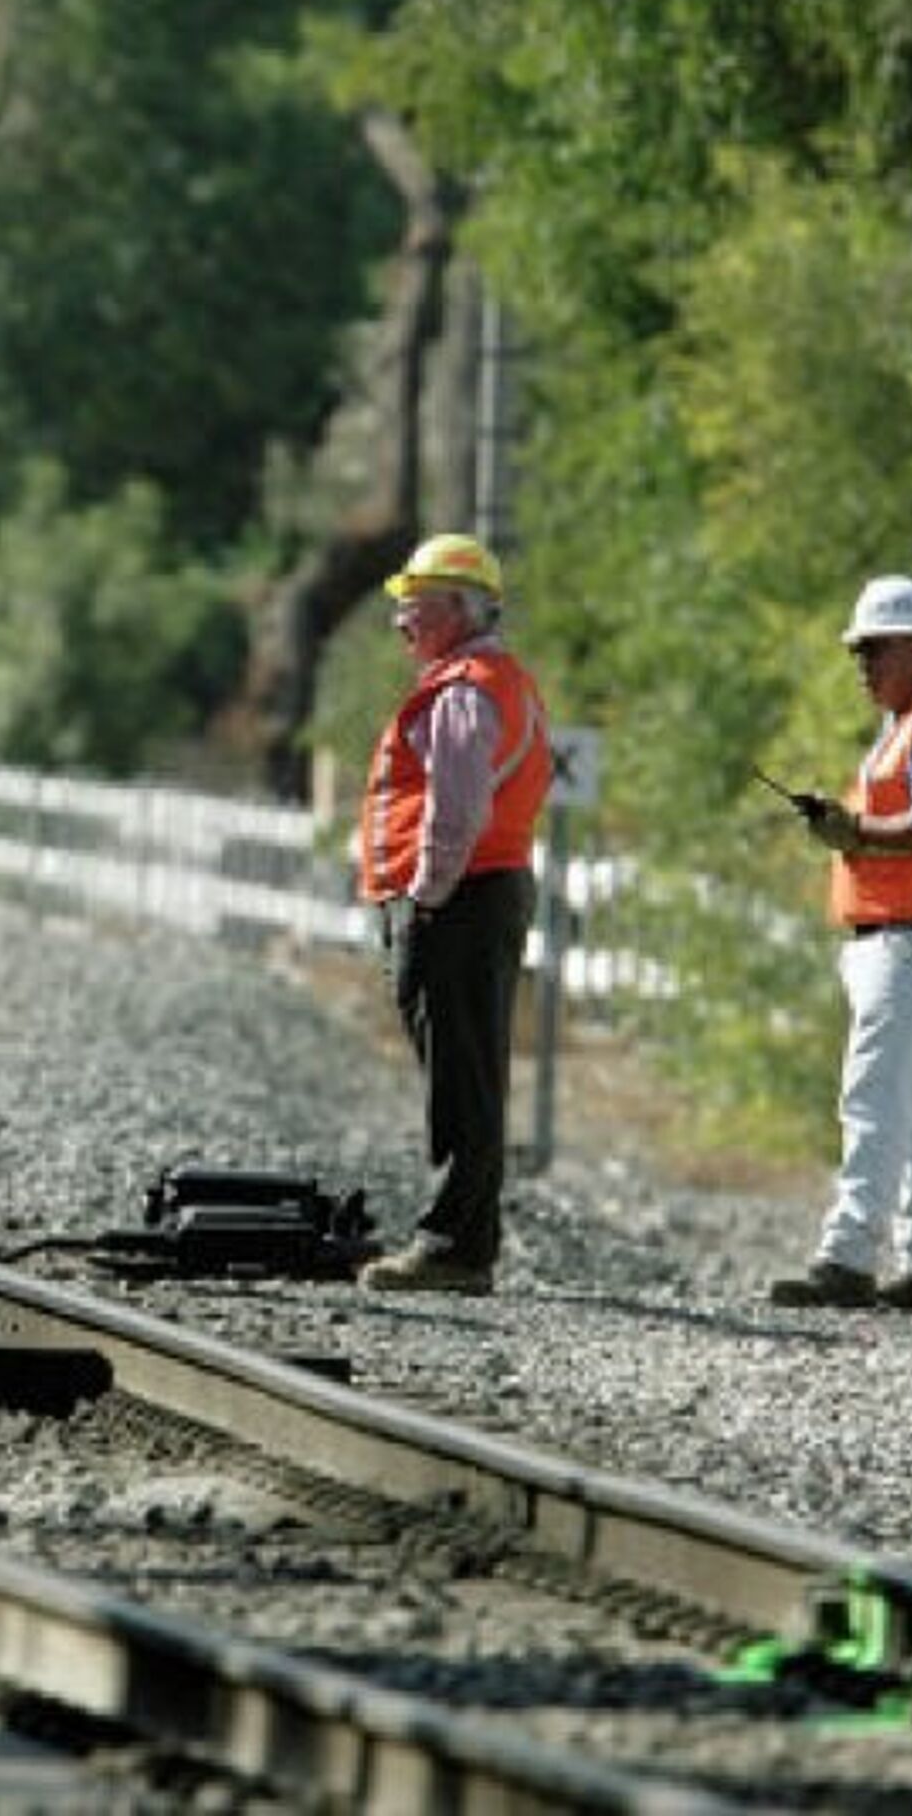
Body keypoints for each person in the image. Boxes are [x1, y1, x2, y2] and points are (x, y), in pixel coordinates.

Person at [769, 574, 912, 1317]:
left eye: (875, 648)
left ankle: (847, 1257)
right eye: (858, 651)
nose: (862, 664)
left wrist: (856, 831)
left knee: (873, 1098)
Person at [355, 533, 552, 1295]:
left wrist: (426, 897)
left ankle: (450, 1245)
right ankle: (468, 1242)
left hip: (458, 897)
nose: (401, 616)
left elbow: (457, 809)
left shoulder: (466, 688)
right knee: (469, 1073)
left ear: (459, 608)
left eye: (416, 602)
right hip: (478, 891)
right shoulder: (489, 680)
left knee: (460, 1079)